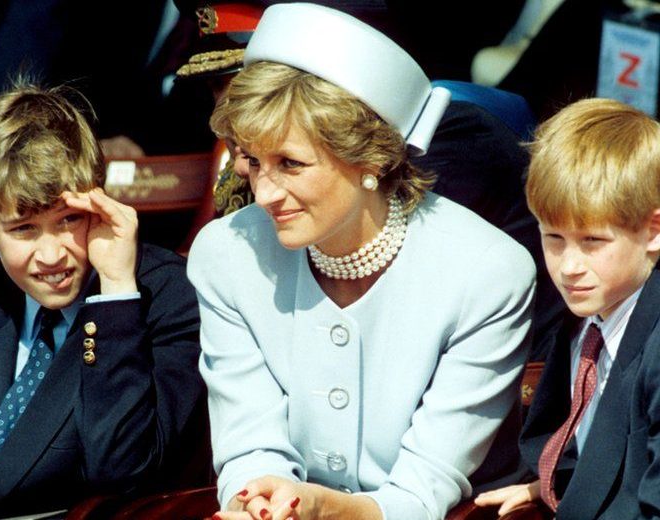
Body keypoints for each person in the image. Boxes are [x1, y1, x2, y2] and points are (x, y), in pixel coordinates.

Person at [187, 4, 535, 519]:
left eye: (290, 164)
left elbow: (425, 487)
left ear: (371, 156)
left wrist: (320, 508)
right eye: (254, 162)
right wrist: (257, 499)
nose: (263, 193)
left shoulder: (488, 272)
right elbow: (248, 444)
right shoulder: (226, 254)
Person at [0, 83, 205, 520]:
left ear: (100, 202)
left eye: (69, 220)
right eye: (24, 229)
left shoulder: (163, 295)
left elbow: (122, 469)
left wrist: (117, 291)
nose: (51, 255)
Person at [474, 98, 660, 517]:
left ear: (653, 231)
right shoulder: (586, 318)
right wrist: (553, 487)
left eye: (593, 241)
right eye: (554, 238)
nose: (569, 267)